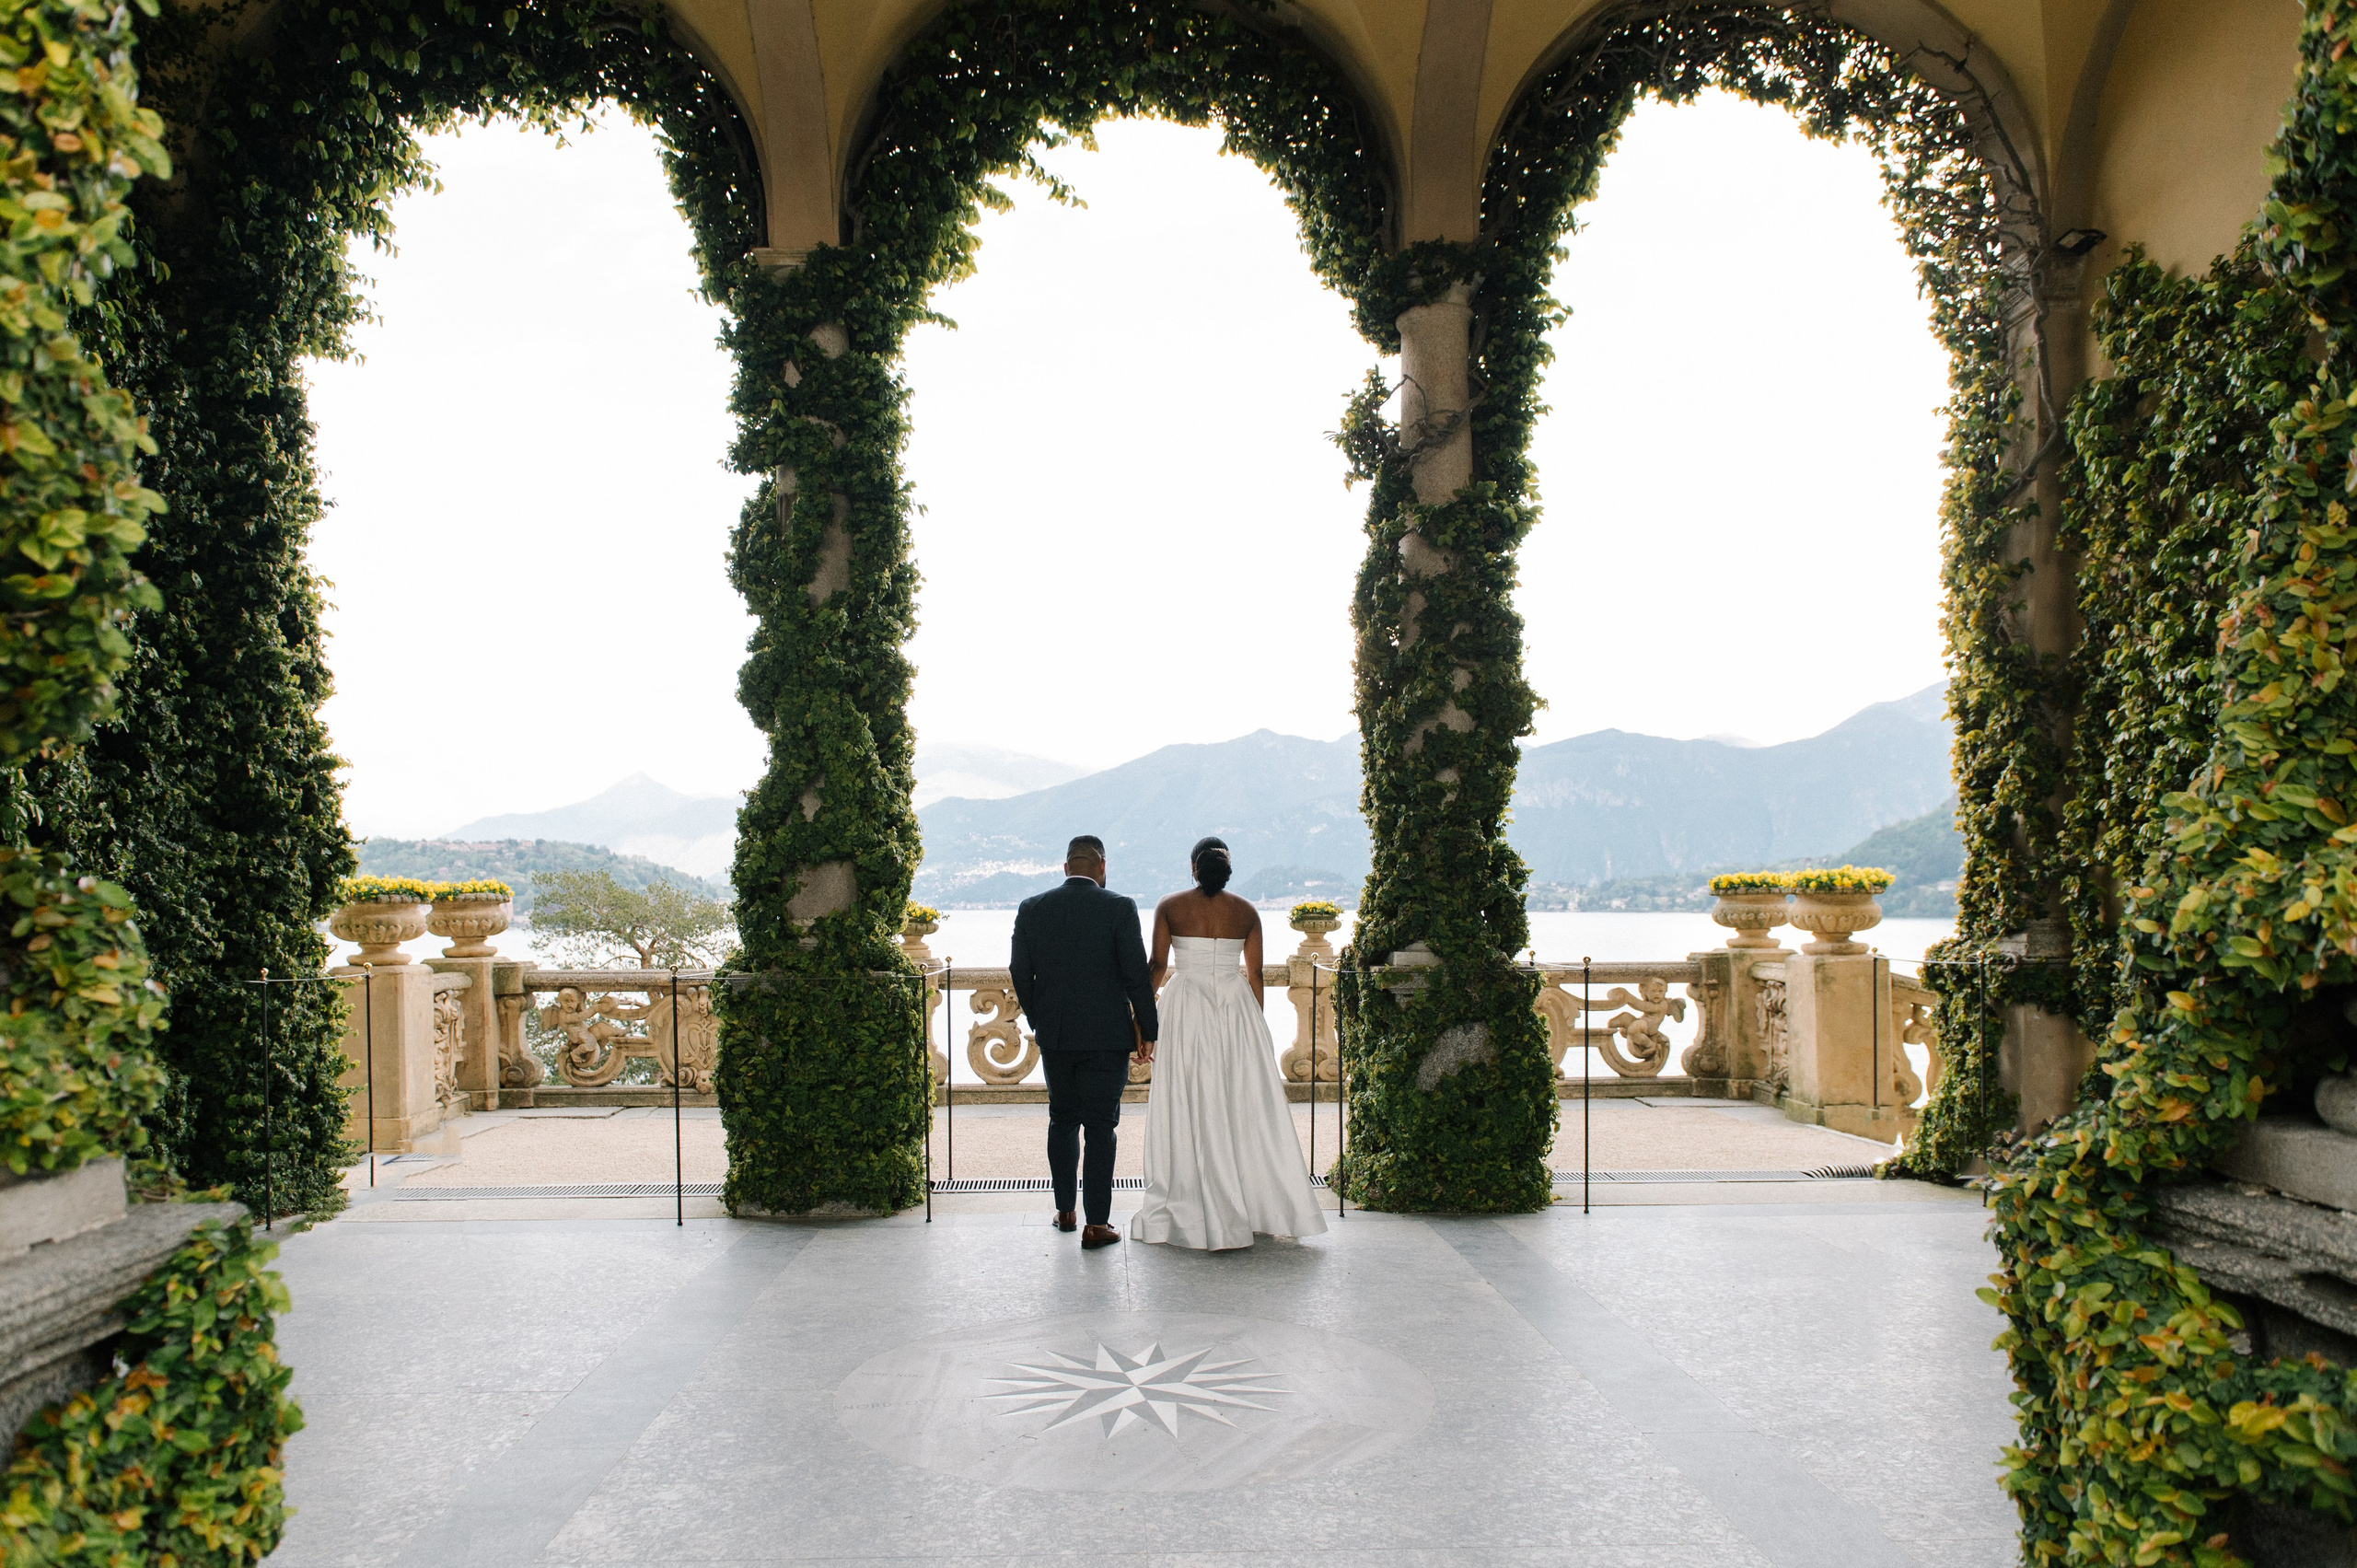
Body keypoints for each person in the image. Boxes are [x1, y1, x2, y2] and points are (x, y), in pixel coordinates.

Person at [1130, 836, 1329, 1250]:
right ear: (1227, 868)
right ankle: (1248, 1201)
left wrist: (1142, 1025)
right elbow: (1254, 975)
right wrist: (1255, 1024)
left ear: (1193, 867)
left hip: (1185, 1007)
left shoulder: (1169, 906)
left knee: (1188, 1098)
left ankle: (1191, 1197)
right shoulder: (1247, 912)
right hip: (1235, 1009)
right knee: (1239, 1102)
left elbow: (1158, 966)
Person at [1008, 834, 1158, 1249]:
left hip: (1056, 1037)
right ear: (1102, 867)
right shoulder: (1120, 908)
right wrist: (1148, 1030)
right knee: (1101, 1127)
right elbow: (1136, 977)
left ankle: (1066, 1211)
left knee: (1062, 1120)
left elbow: (1020, 974)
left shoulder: (1032, 908)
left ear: (1066, 867)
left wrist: (1041, 1020)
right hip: (1108, 1037)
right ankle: (1097, 1224)